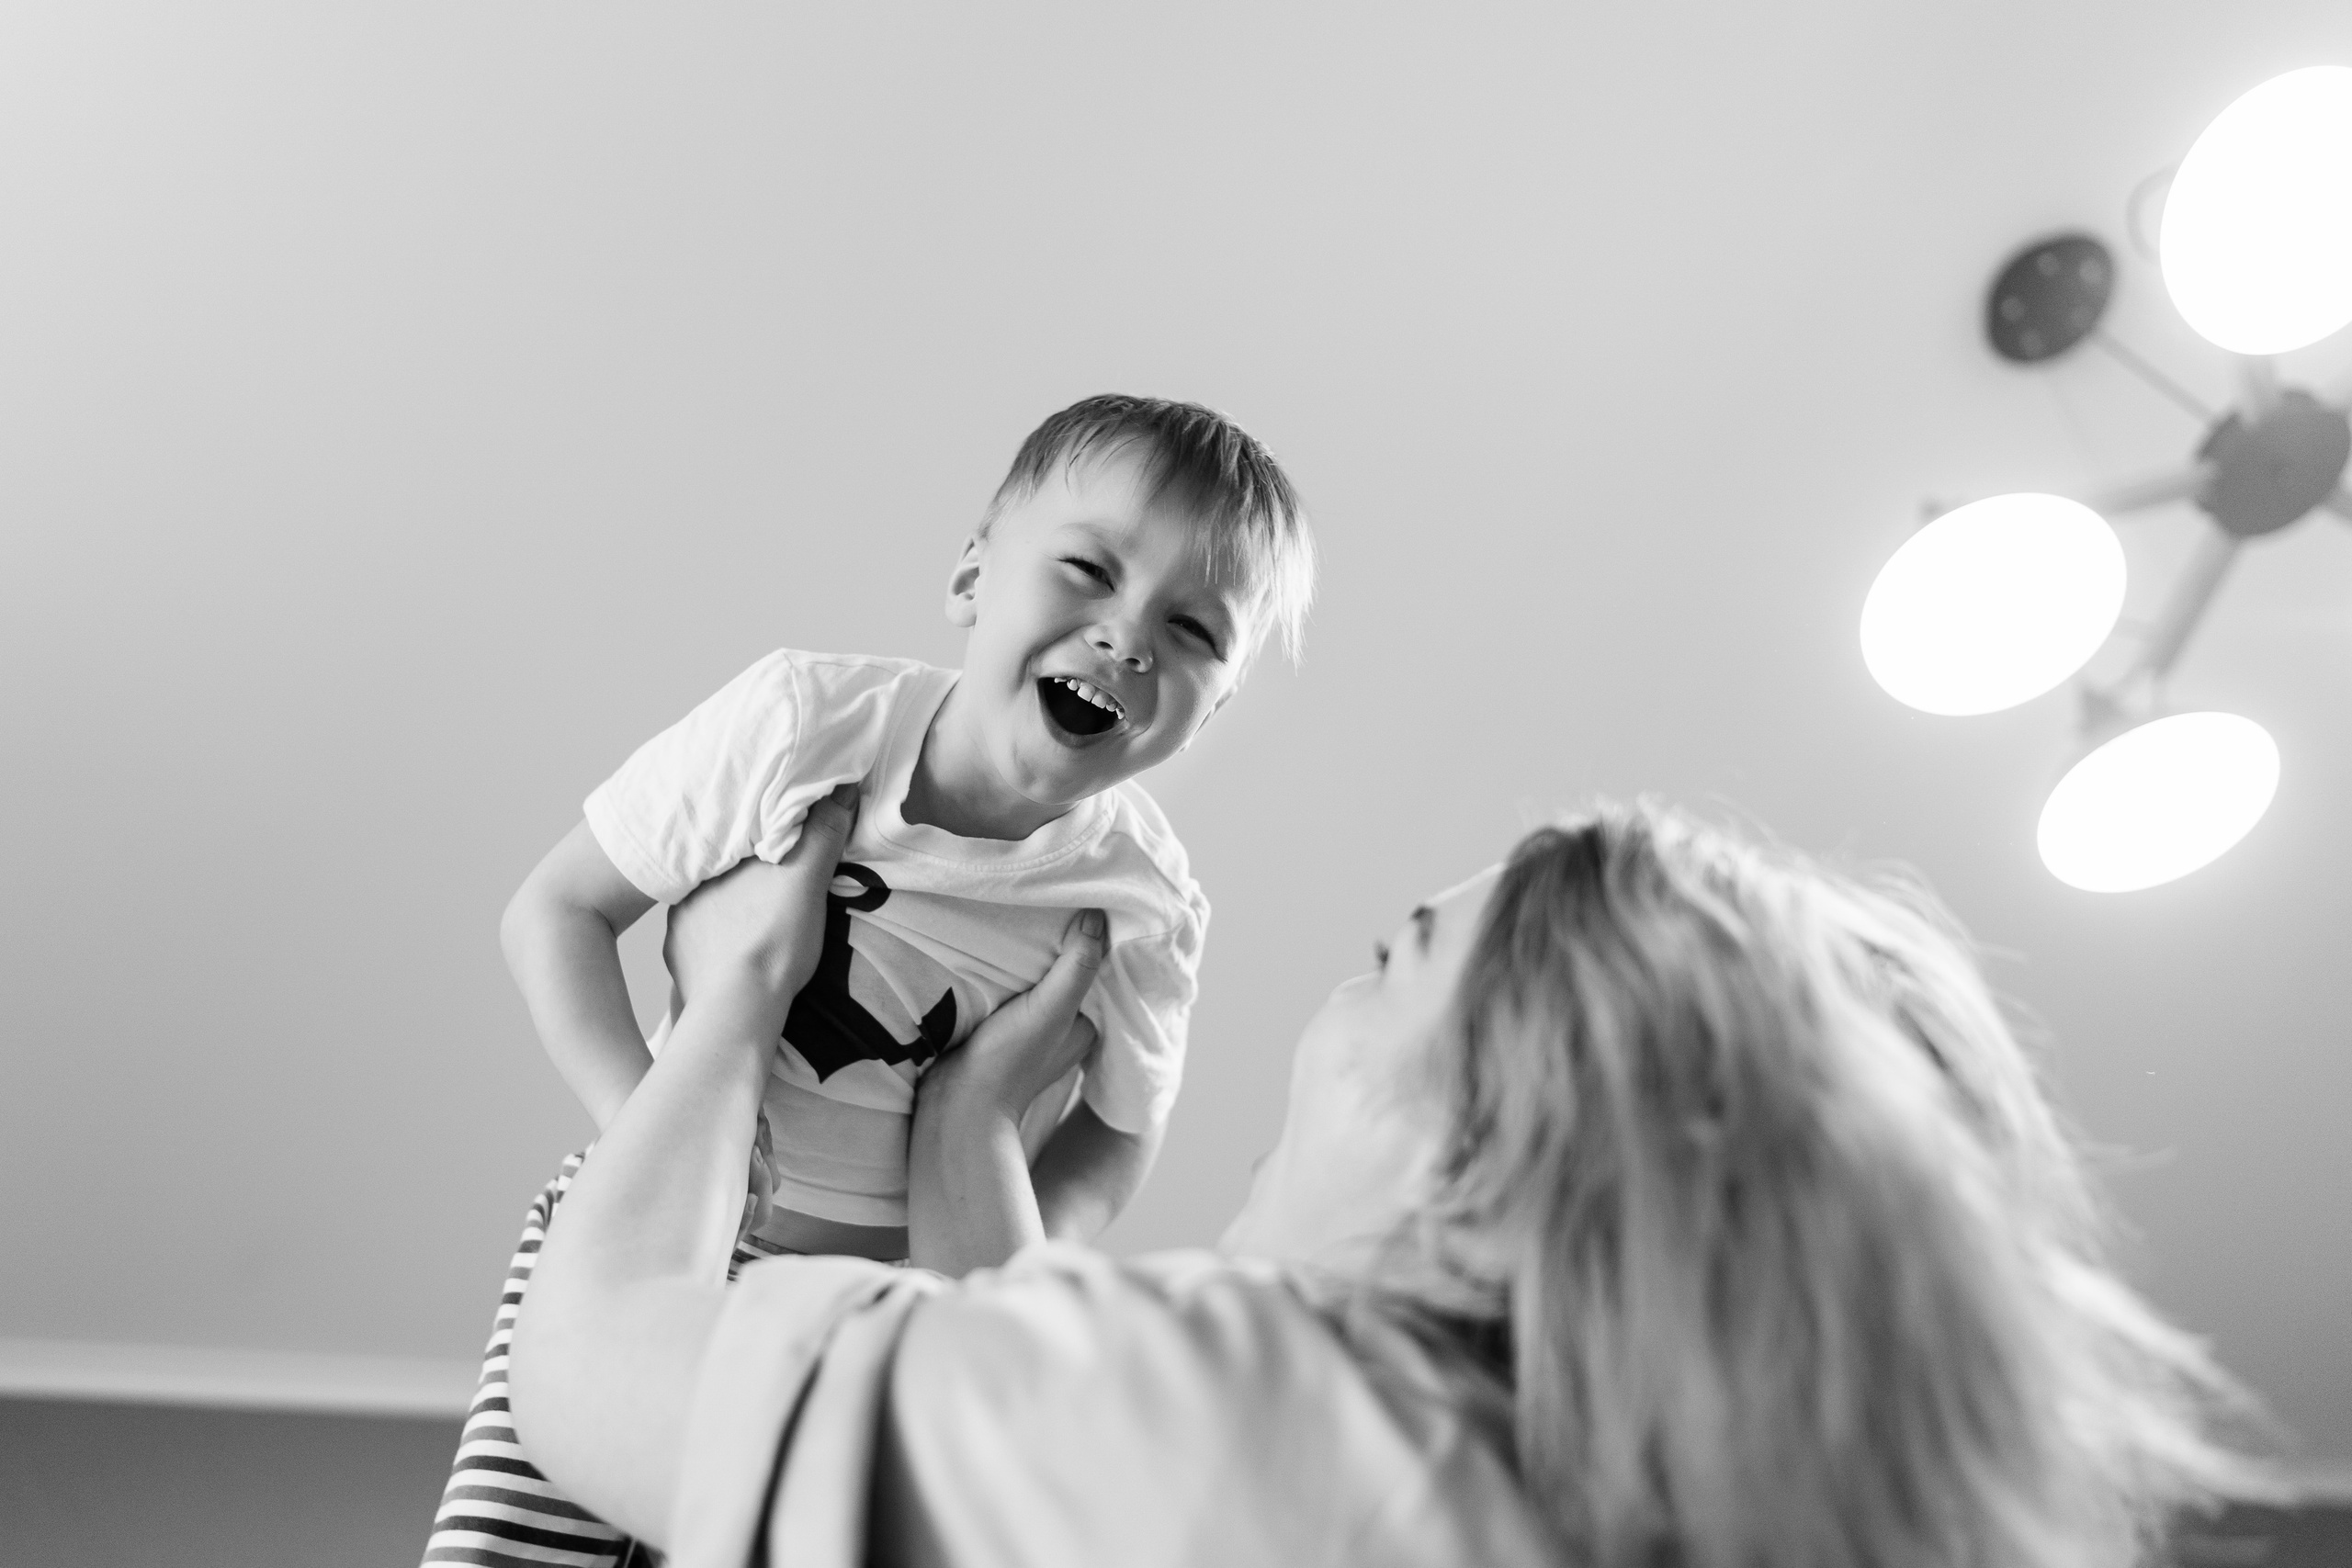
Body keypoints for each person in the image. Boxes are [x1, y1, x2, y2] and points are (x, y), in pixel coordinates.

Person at [504, 790, 2269, 1568]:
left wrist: (735, 993)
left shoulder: (1277, 1410)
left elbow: (599, 1358)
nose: (1324, 998)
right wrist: (969, 1134)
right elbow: (1043, 1469)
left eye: (1394, 954)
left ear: (1502, 1147)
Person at [419, 395, 1315, 1567]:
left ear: (1215, 710)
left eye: (1194, 632)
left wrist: (1001, 1284)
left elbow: (1118, 1135)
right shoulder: (804, 726)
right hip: (644, 1229)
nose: (1128, 637)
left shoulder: (1142, 904)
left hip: (865, 1314)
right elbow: (557, 912)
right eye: (1088, 570)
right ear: (970, 580)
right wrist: (640, 1127)